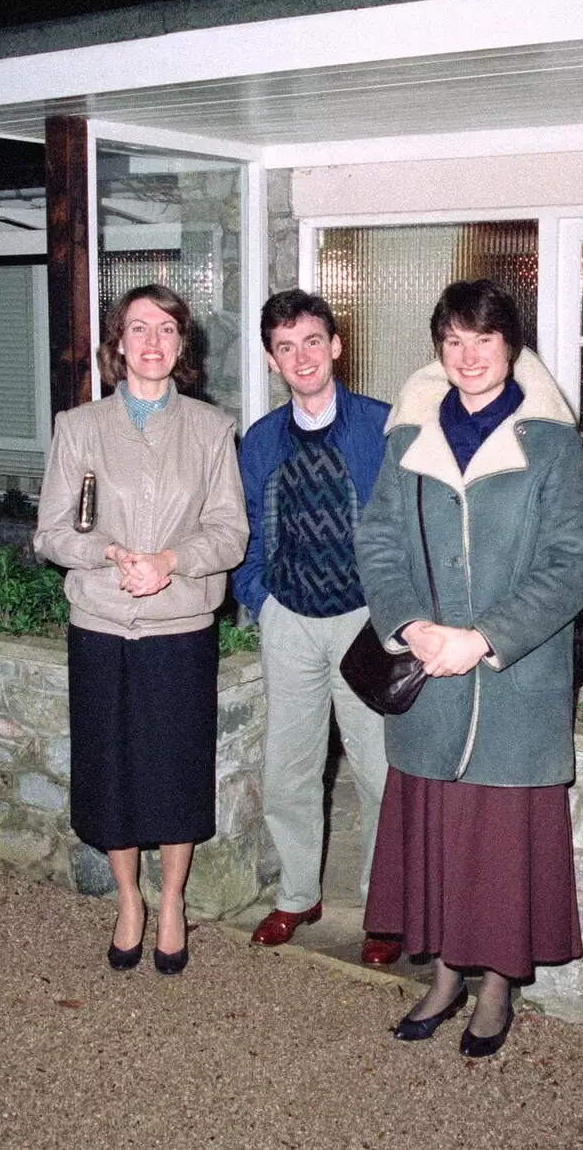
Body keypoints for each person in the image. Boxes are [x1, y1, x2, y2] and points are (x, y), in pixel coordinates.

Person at [354, 279, 583, 1054]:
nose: (469, 358)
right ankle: (446, 975)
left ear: (511, 345)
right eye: (453, 341)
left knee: (499, 844)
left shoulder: (551, 443)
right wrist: (410, 623)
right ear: (439, 348)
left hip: (512, 681)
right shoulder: (408, 438)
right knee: (438, 833)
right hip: (428, 673)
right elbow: (379, 540)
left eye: (484, 341)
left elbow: (572, 564)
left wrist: (485, 638)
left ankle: (496, 987)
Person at [33, 283, 248, 977]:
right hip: (101, 625)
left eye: (166, 330)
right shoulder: (80, 427)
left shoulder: (212, 430)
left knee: (174, 772)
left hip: (179, 628)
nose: (152, 341)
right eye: (138, 329)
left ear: (181, 346)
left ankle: (174, 900)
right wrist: (111, 555)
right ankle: (128, 898)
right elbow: (51, 534)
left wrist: (170, 562)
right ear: (116, 343)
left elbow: (230, 534)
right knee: (113, 772)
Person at [233, 289, 399, 966]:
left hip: (365, 622)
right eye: (284, 346)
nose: (300, 356)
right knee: (289, 773)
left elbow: (405, 527)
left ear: (335, 346)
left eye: (311, 341)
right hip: (290, 620)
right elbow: (244, 529)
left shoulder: (382, 427)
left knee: (381, 773)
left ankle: (386, 907)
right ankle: (299, 894)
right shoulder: (260, 440)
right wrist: (260, 600)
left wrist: (397, 613)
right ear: (273, 360)